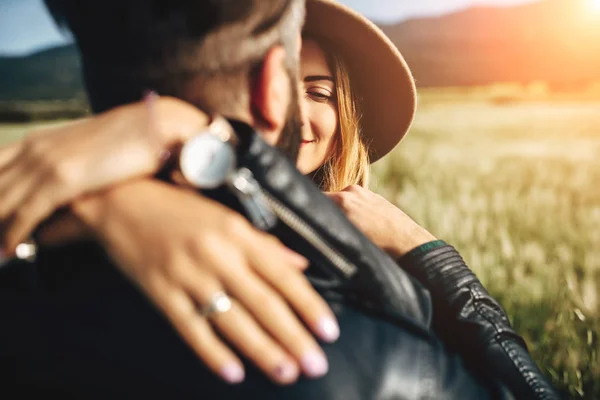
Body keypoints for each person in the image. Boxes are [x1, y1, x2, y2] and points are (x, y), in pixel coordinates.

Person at [0, 0, 559, 398]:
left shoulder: (33, 264)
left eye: (323, 92)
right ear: (273, 87)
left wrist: (94, 203)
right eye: (298, 82)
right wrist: (428, 251)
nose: (307, 110)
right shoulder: (367, 338)